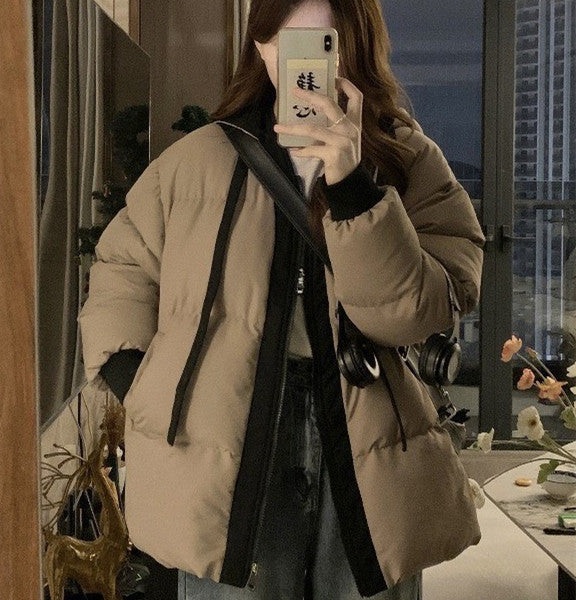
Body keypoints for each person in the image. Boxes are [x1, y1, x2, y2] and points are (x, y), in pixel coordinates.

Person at [78, 0, 485, 598]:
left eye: (326, 42)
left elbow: (419, 309)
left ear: (354, 48)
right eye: (290, 41)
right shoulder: (197, 160)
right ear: (262, 49)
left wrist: (351, 184)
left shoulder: (409, 161)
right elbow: (120, 271)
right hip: (227, 431)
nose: (305, 61)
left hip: (369, 431)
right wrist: (143, 384)